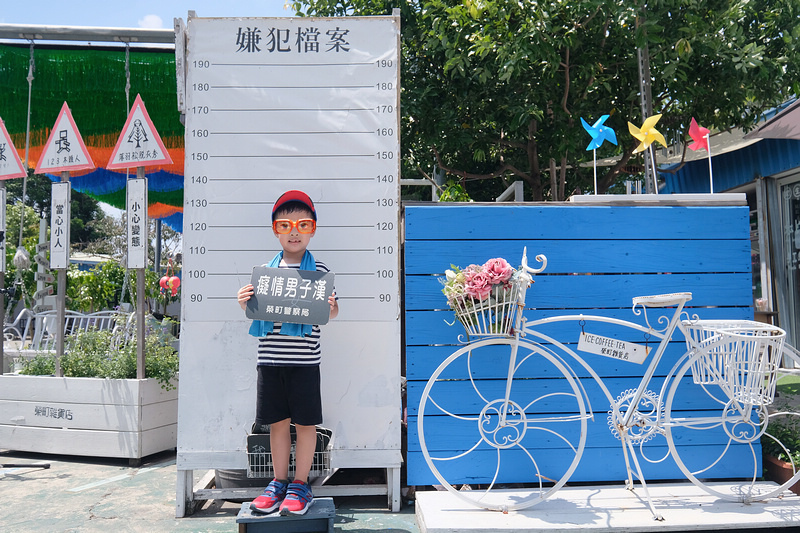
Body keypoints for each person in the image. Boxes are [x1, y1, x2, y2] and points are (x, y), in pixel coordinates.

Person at [237, 190, 339, 516]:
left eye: (302, 224)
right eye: (285, 225)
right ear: (275, 230)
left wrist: (332, 308)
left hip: (305, 363)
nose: (294, 231)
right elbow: (255, 311)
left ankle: (300, 484)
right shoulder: (265, 271)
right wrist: (245, 301)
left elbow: (330, 313)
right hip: (269, 361)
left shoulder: (319, 270)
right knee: (277, 424)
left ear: (312, 229)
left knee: (306, 425)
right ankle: (278, 482)